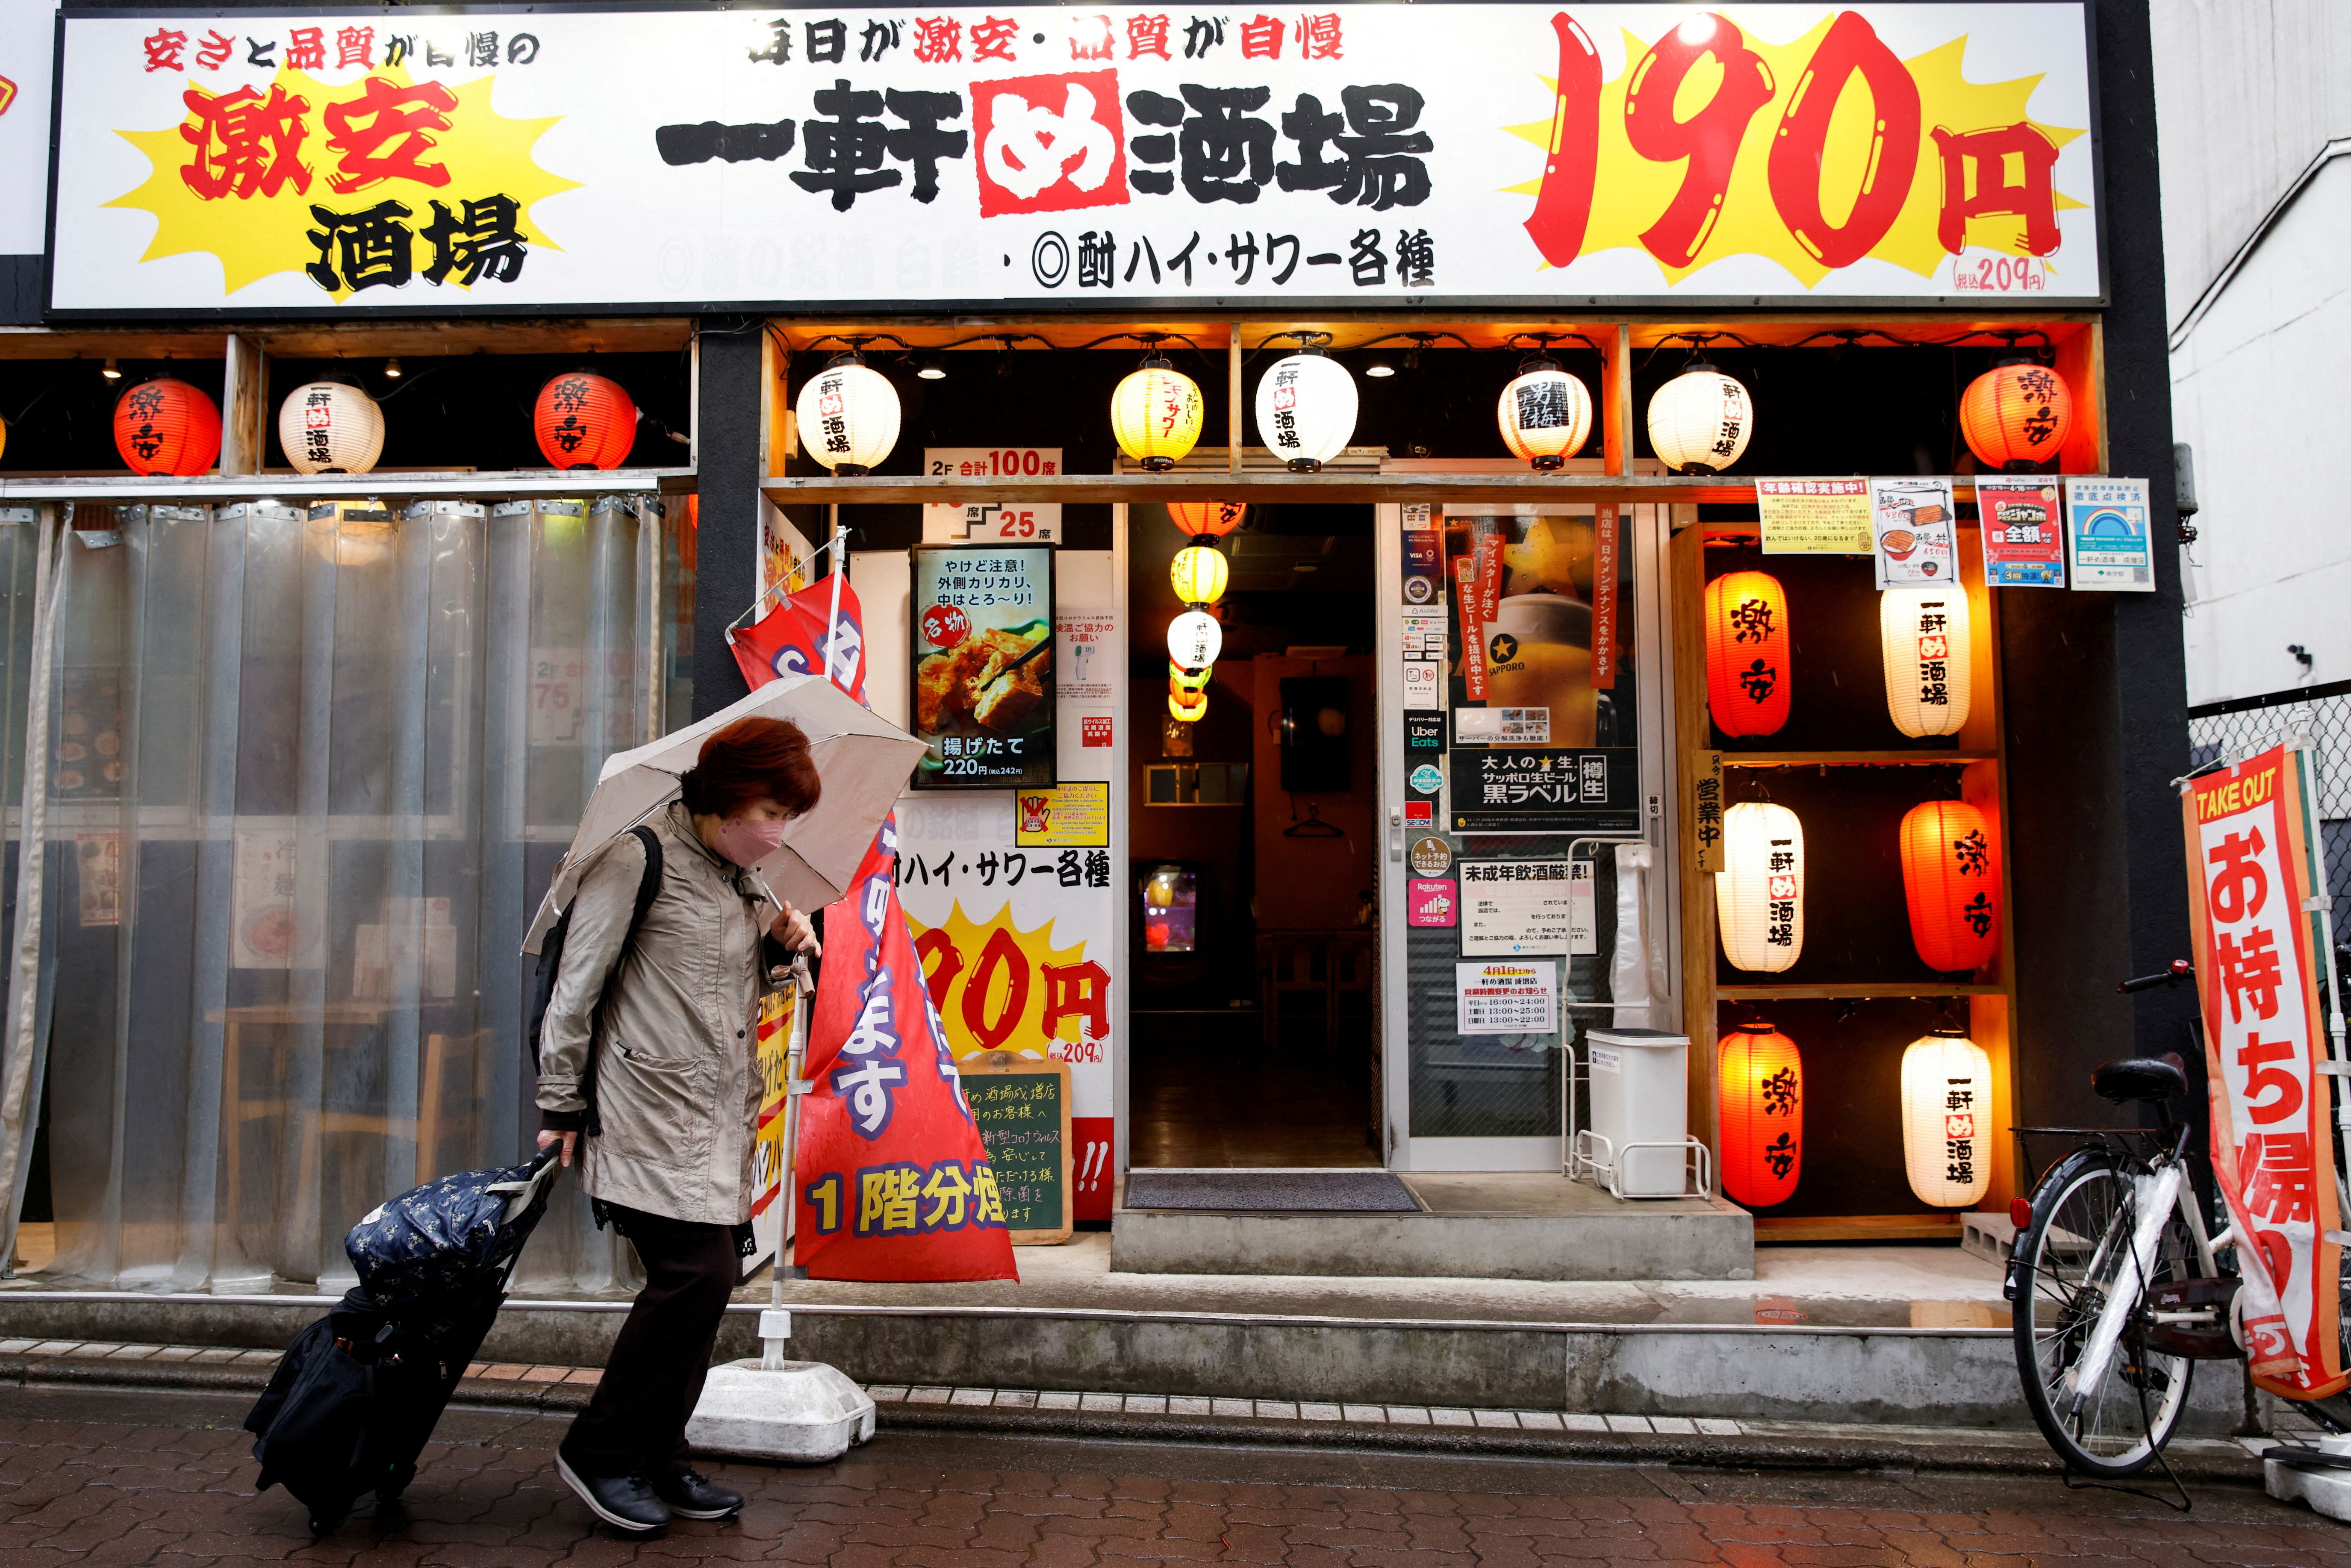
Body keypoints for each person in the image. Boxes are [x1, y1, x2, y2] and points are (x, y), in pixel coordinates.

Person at [534, 716, 823, 1534]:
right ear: (727, 798)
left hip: (716, 1121)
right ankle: (601, 1449)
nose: (778, 829)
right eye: (771, 810)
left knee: (712, 1277)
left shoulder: (746, 882)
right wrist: (560, 1104)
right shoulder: (635, 857)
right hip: (644, 1114)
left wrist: (782, 949)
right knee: (693, 1275)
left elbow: (735, 1002)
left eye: (787, 816)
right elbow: (575, 992)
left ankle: (658, 1455)